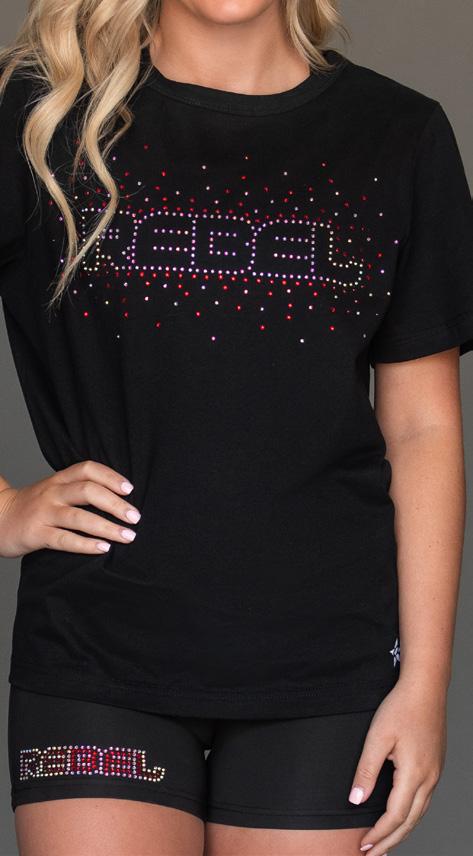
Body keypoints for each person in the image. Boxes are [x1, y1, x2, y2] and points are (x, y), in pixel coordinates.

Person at [0, 1, 472, 854]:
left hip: (325, 668)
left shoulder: (397, 132)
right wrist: (2, 510)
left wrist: (425, 685)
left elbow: (421, 430)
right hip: (98, 654)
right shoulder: (42, 115)